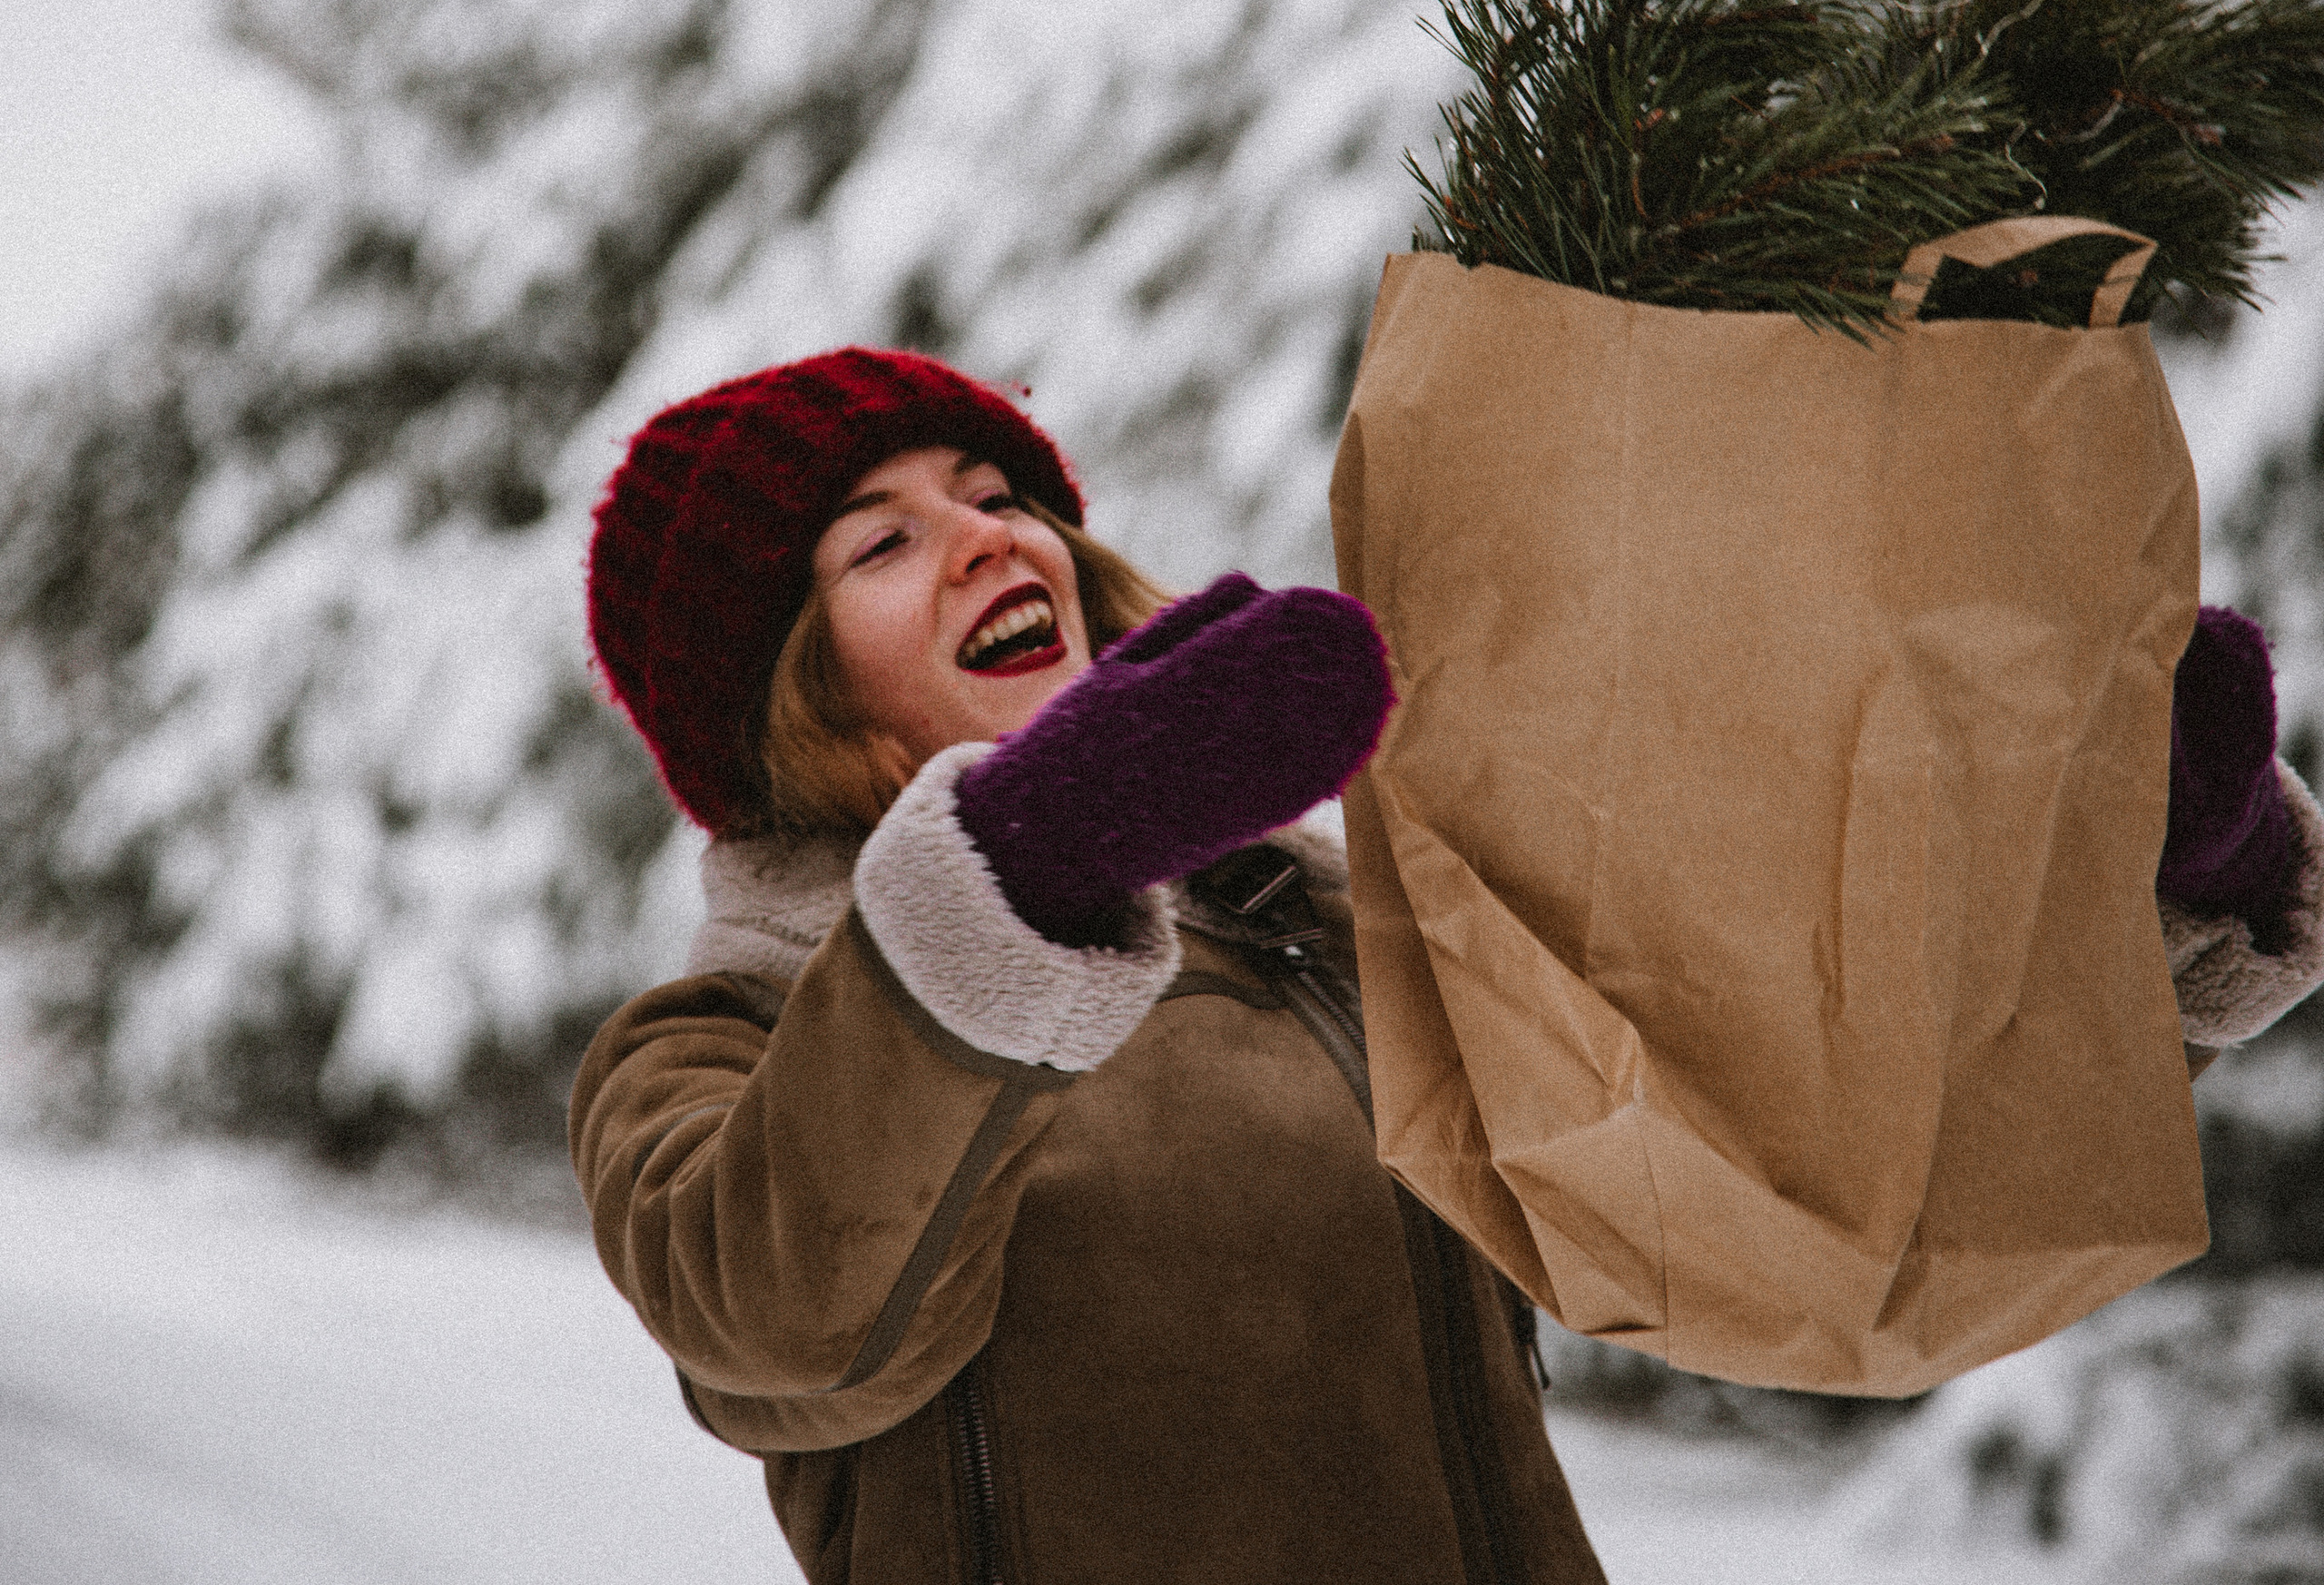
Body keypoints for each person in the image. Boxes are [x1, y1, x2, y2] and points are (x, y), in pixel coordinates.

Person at [571, 346, 2324, 1584]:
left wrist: (2144, 898)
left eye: (1002, 491)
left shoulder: (1320, 937)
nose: (989, 536)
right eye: (880, 542)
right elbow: (786, 1315)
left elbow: (1774, 1174)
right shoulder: (717, 1047)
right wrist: (1024, 866)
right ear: (777, 699)